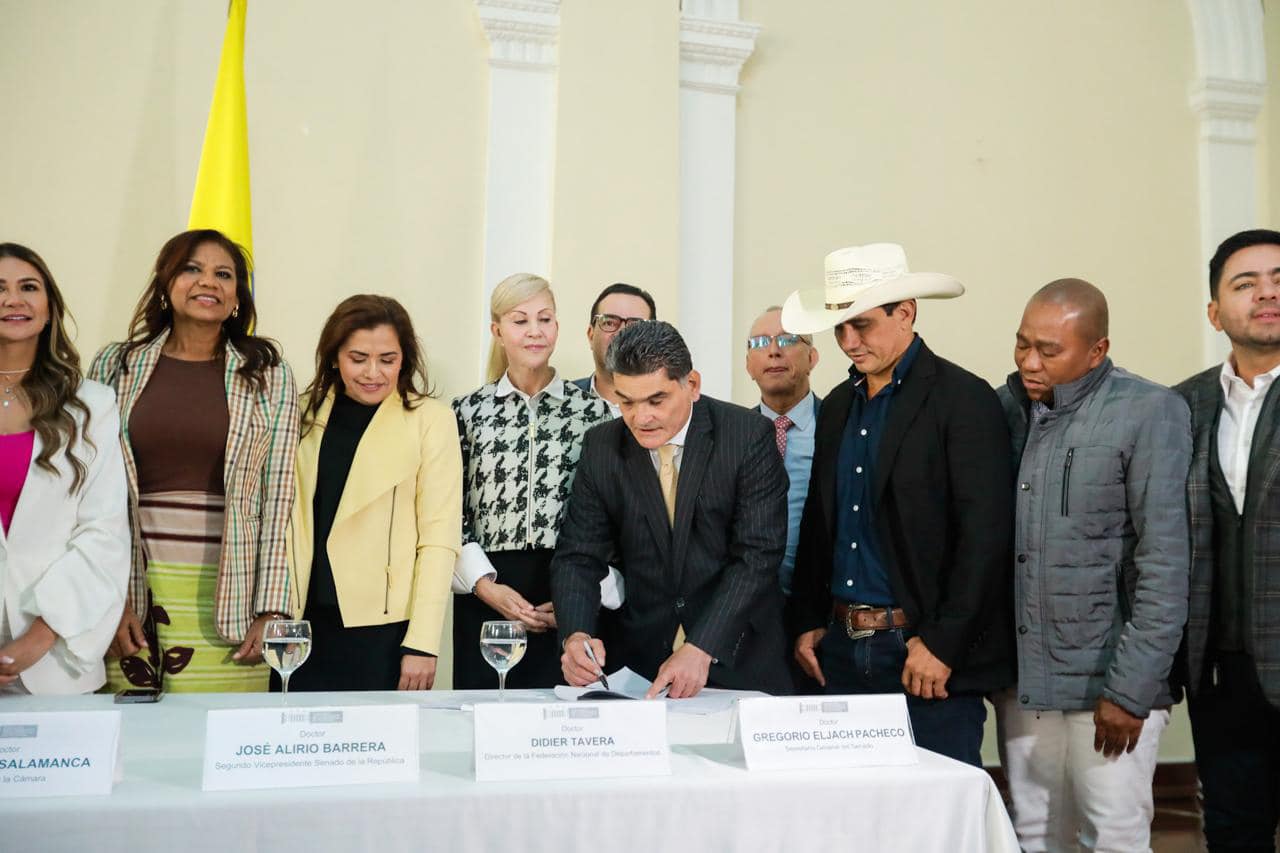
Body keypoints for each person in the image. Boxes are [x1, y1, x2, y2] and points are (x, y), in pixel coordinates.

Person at [784, 243, 1014, 766]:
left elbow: (985, 537)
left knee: (934, 826)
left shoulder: (963, 399)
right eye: (838, 328)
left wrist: (943, 644)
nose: (848, 341)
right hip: (839, 650)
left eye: (860, 325)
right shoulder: (839, 405)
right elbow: (823, 523)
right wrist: (807, 620)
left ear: (905, 312)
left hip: (922, 655)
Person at [996, 279, 1190, 853]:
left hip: (1110, 684)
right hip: (1027, 682)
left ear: (1097, 351)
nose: (1030, 362)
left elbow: (1165, 562)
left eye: (1049, 351)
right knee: (1033, 835)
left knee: (1113, 837)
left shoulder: (1150, 410)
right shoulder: (1006, 408)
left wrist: (1131, 691)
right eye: (1022, 344)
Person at [90, 228, 298, 692]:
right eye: (192, 269)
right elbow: (93, 491)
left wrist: (272, 606)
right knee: (137, 747)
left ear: (238, 296)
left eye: (224, 275)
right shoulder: (114, 365)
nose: (209, 282)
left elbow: (280, 497)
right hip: (133, 585)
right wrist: (107, 599)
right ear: (166, 283)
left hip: (233, 593)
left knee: (223, 747)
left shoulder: (268, 374)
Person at [554, 320, 793, 698]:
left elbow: (758, 555)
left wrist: (701, 647)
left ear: (692, 385)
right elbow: (578, 556)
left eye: (656, 400)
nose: (640, 417)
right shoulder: (601, 447)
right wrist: (576, 634)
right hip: (641, 663)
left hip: (739, 657)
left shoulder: (747, 436)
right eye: (626, 401)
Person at [286, 295, 462, 692]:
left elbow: (439, 539)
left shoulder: (430, 420)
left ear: (405, 359)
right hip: (302, 623)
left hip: (386, 630)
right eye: (358, 357)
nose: (373, 372)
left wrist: (422, 643)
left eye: (387, 359)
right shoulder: (301, 414)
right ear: (335, 357)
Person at [452, 274, 611, 689]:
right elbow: (448, 509)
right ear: (497, 331)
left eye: (545, 319)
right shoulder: (467, 412)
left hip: (568, 583)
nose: (535, 331)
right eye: (520, 320)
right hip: (485, 588)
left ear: (558, 327)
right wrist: (486, 587)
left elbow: (614, 512)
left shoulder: (593, 412)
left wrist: (578, 599)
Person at [1175, 228, 1280, 853]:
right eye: (1246, 284)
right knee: (1234, 833)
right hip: (1221, 672)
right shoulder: (1181, 406)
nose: (1267, 293)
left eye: (1279, 280)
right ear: (1216, 313)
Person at [0, 244, 130, 695]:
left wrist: (40, 635)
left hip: (55, 660)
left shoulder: (91, 405)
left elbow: (104, 532)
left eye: (28, 287)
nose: (13, 300)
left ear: (50, 308)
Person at [745, 305, 821, 692]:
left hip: (821, 615)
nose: (773, 351)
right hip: (749, 618)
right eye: (760, 343)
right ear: (748, 364)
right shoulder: (729, 437)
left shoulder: (840, 427)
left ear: (813, 356)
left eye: (788, 339)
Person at [572, 282, 656, 416]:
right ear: (591, 335)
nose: (621, 334)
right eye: (609, 323)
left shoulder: (678, 407)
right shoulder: (558, 402)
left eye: (635, 326)